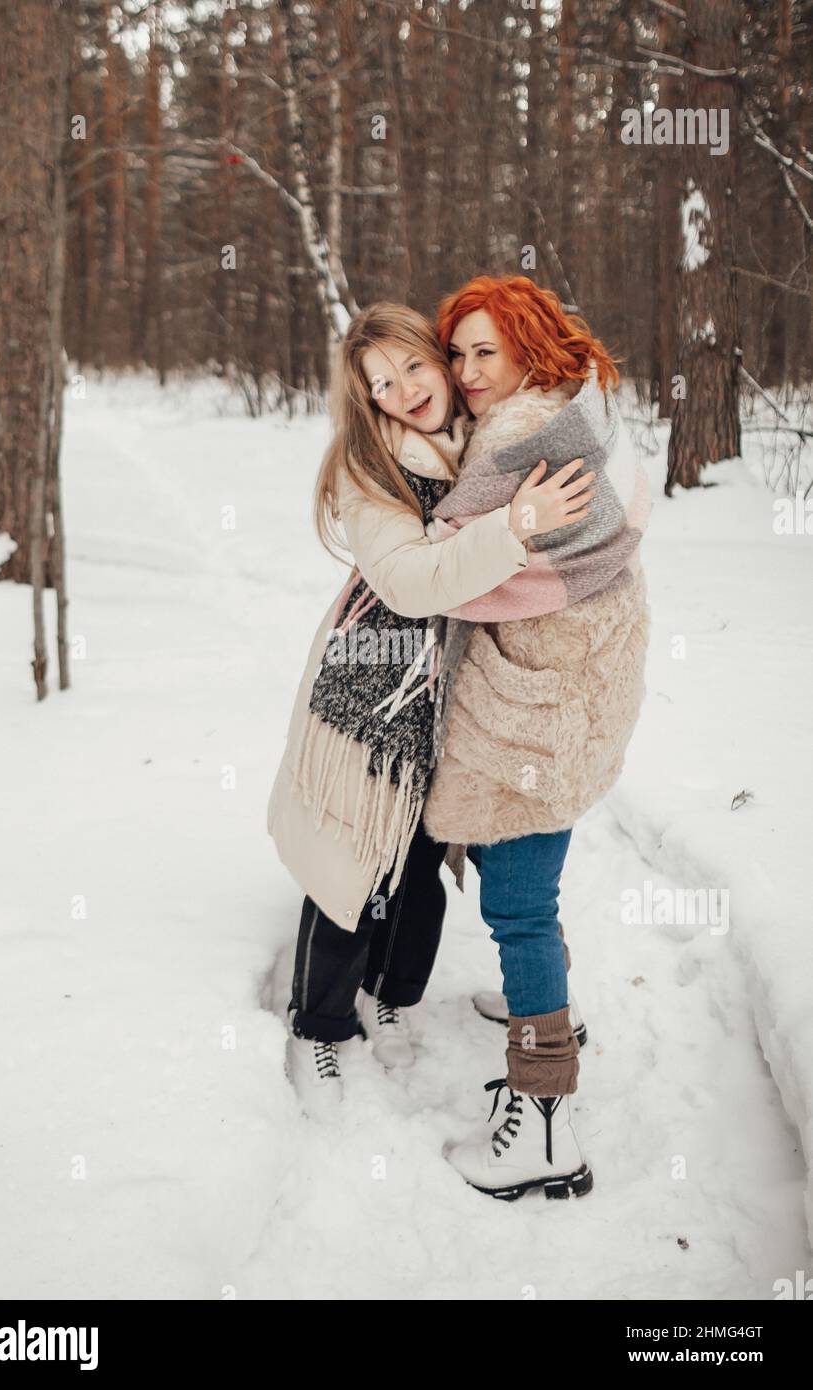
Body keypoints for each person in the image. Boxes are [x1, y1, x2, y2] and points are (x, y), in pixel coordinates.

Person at [267, 302, 593, 1118]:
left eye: (413, 366)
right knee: (352, 863)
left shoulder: (476, 445)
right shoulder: (369, 465)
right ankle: (320, 1026)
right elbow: (411, 581)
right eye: (381, 384)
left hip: (442, 696)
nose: (404, 390)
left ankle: (390, 990)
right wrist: (518, 525)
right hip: (370, 695)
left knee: (419, 871)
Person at [418, 275, 652, 1199]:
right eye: (460, 352)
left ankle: (545, 1116)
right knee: (533, 882)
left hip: (539, 702)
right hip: (580, 683)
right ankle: (543, 1008)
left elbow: (448, 573)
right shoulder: (573, 405)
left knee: (516, 902)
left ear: (526, 345)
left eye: (489, 351)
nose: (470, 371)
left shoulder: (516, 437)